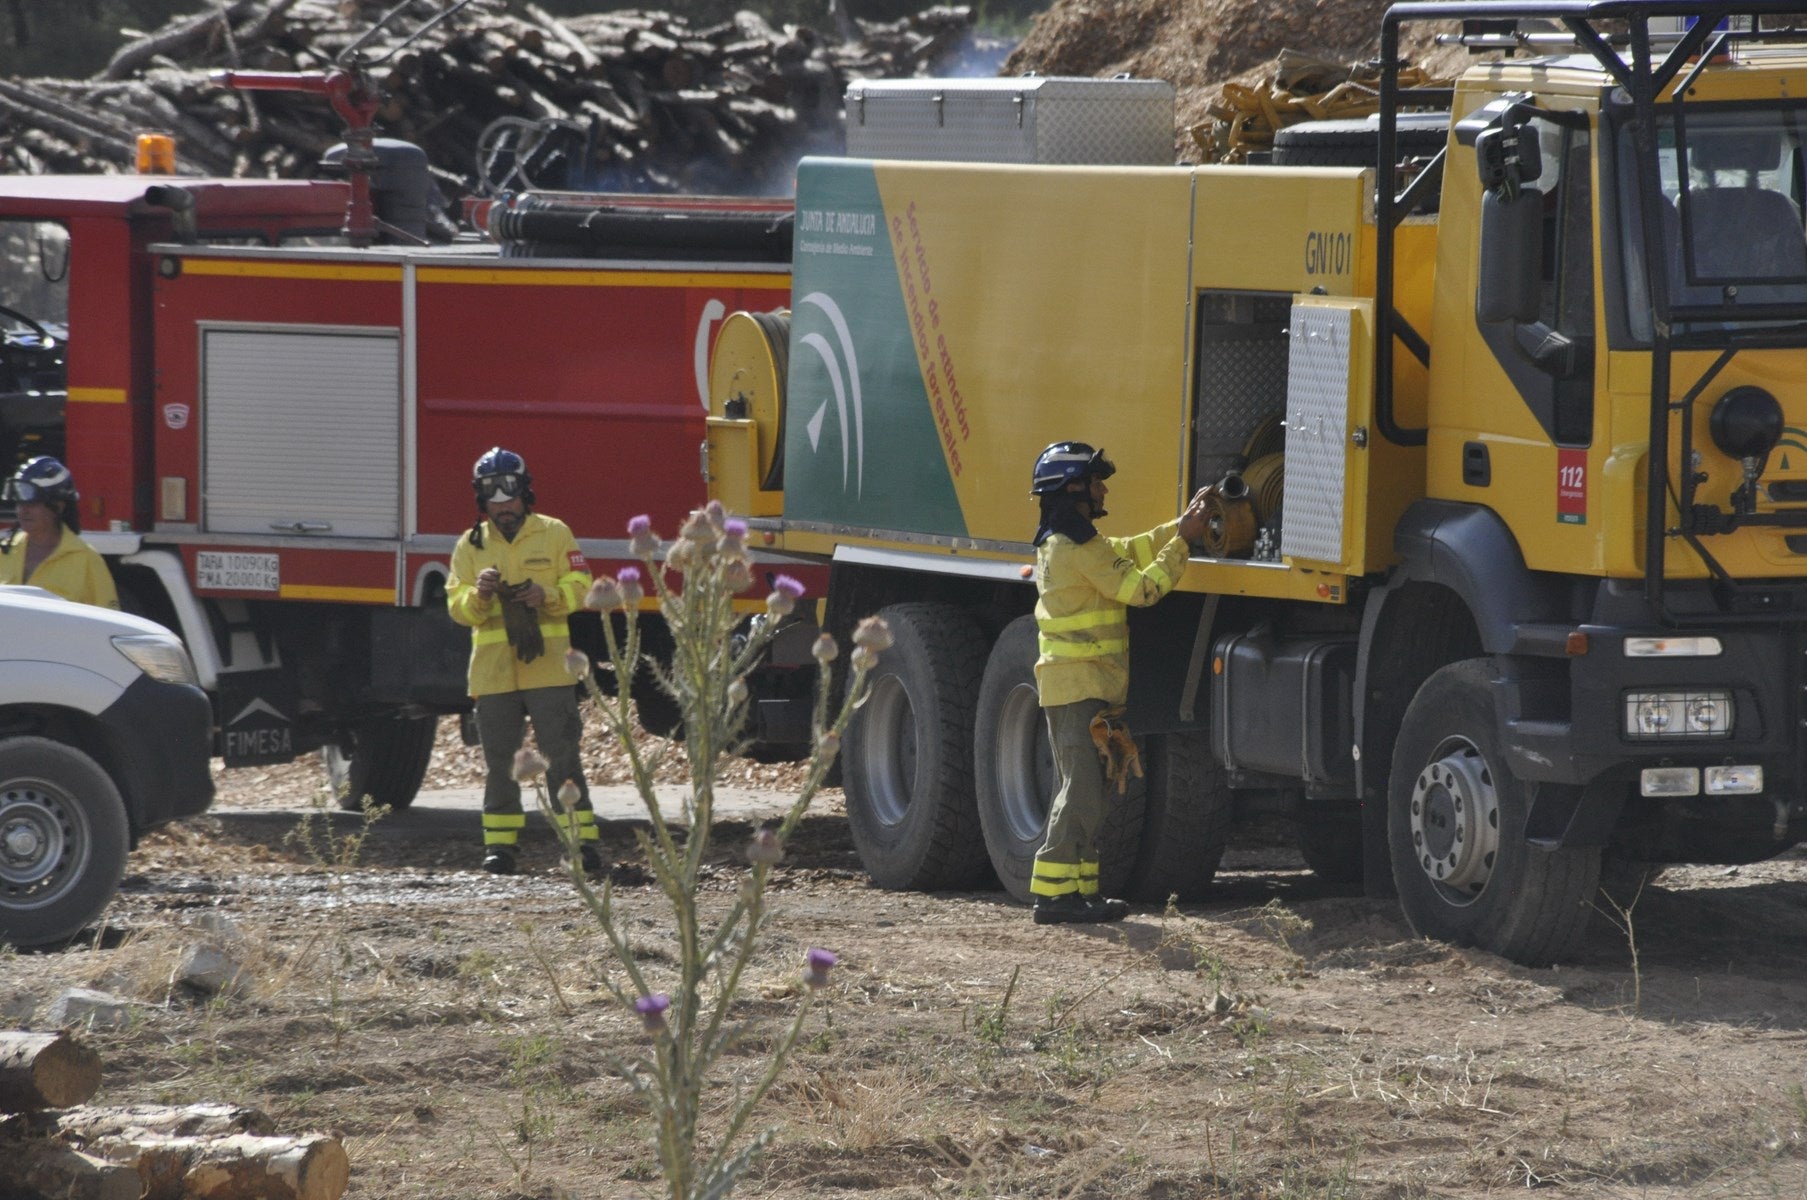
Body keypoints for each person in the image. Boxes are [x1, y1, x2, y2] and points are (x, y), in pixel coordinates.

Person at [1027, 441, 1208, 925]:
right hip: (1077, 688)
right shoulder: (1074, 548)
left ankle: (1082, 892)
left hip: (1093, 687)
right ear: (1073, 488)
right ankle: (1052, 896)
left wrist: (1179, 526)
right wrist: (1184, 544)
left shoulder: (1076, 542)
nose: (1103, 488)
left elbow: (1128, 551)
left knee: (1099, 788)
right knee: (1082, 789)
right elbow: (1142, 589)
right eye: (1095, 481)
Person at [446, 447, 600, 876]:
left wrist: (546, 596)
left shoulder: (554, 534)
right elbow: (456, 607)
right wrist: (477, 594)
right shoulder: (470, 544)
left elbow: (581, 584)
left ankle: (582, 845)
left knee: (562, 756)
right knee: (500, 763)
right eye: (492, 496)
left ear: (524, 492)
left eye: (509, 493)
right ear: (482, 500)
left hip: (549, 669)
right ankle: (500, 848)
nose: (503, 505)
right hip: (494, 674)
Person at [0, 456, 120, 609]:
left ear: (58, 506)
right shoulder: (4, 552)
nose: (23, 509)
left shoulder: (87, 560)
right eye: (20, 501)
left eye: (33, 502)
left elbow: (109, 621)